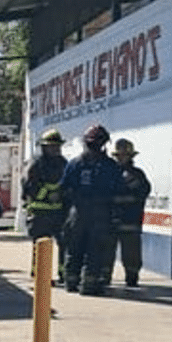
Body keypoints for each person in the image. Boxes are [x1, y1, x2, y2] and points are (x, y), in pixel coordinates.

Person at [59, 124, 124, 296]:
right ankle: (89, 284)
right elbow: (119, 189)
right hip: (100, 214)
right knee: (95, 250)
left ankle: (71, 281)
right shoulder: (110, 166)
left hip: (78, 212)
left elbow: (63, 188)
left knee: (74, 248)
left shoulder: (75, 164)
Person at [22, 128, 69, 284]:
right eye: (51, 146)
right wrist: (49, 193)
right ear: (43, 147)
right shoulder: (35, 164)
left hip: (59, 213)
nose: (55, 149)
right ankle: (40, 276)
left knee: (64, 243)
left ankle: (65, 274)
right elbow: (29, 188)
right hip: (40, 212)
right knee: (41, 245)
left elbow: (68, 184)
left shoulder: (63, 163)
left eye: (57, 146)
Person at [107, 138, 151, 287]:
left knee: (132, 254)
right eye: (119, 156)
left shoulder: (138, 175)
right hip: (110, 222)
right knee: (106, 254)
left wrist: (119, 199)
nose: (121, 158)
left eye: (124, 155)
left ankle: (132, 279)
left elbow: (142, 193)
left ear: (131, 156)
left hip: (130, 222)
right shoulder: (109, 173)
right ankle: (104, 277)